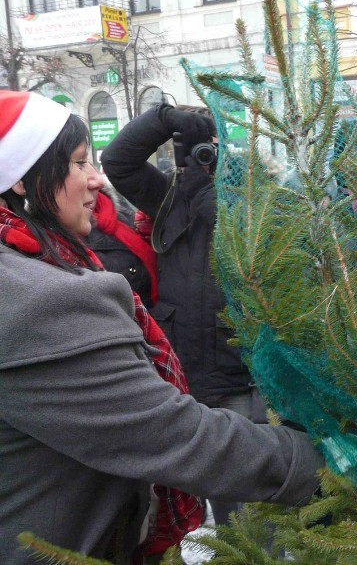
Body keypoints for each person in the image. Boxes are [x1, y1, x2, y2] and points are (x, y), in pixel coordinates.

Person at [0, 91, 323, 563]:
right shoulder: (43, 296)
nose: (96, 180)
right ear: (23, 179)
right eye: (78, 164)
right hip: (181, 384)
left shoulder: (257, 214)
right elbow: (173, 435)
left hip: (237, 371)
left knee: (249, 523)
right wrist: (167, 120)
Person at [102, 103, 265, 525]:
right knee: (213, 504)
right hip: (187, 374)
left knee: (256, 502)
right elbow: (117, 161)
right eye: (197, 150)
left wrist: (216, 191)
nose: (206, 158)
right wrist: (165, 120)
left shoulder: (257, 198)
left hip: (243, 376)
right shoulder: (170, 197)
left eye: (212, 148)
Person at [84, 187, 158, 308]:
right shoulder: (67, 241)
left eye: (89, 166)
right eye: (80, 167)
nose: (97, 180)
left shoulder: (115, 207)